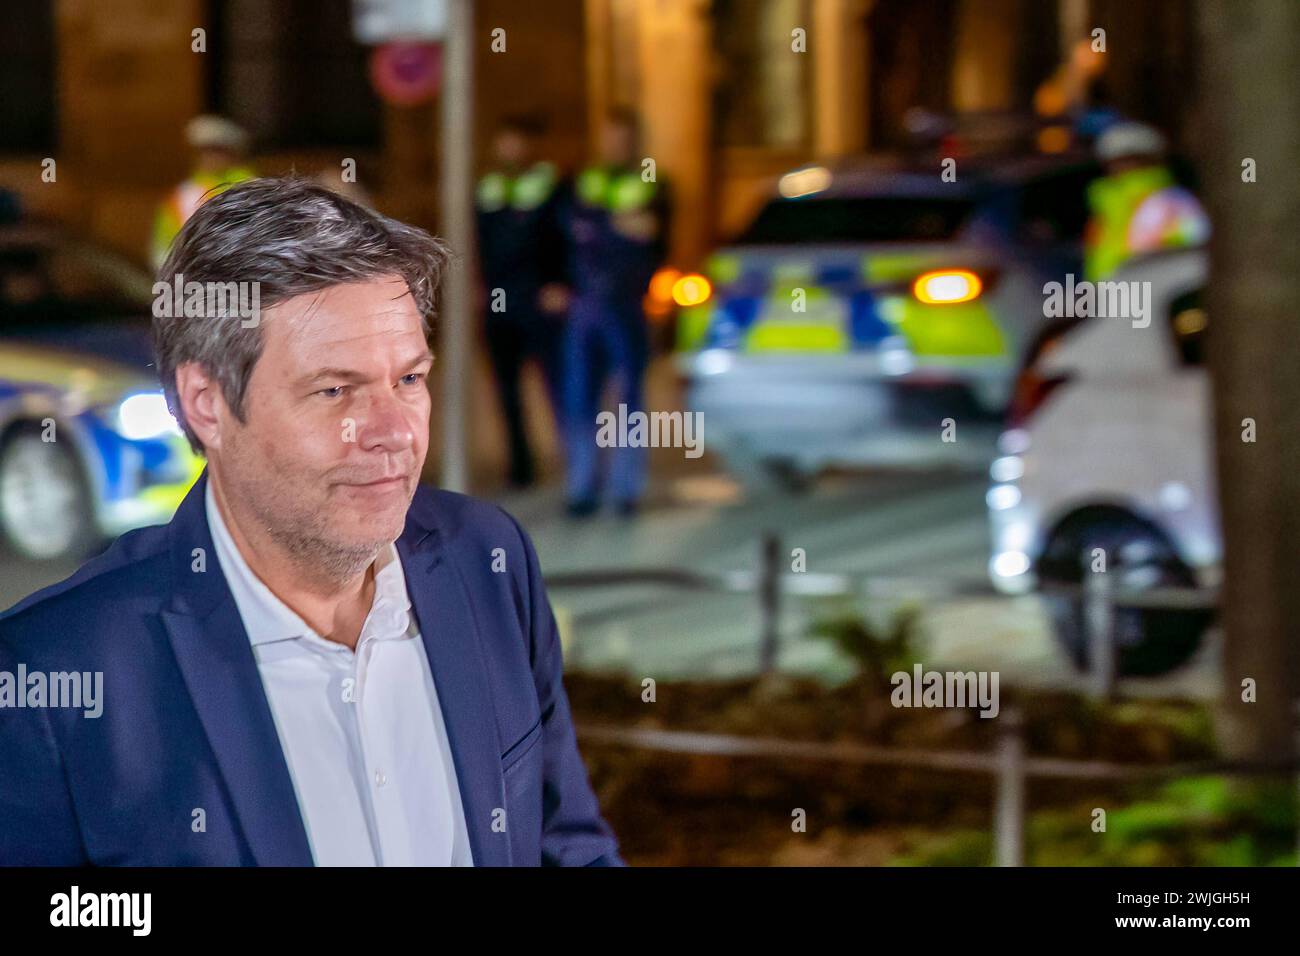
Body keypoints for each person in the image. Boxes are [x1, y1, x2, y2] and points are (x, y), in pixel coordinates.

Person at [0, 177, 623, 867]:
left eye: (409, 380)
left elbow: (566, 847)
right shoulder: (53, 676)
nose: (394, 432)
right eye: (335, 390)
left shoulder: (489, 561)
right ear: (207, 403)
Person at [561, 109, 669, 517]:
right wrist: (619, 225)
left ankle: (626, 489)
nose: (616, 145)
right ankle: (582, 487)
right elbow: (572, 230)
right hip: (585, 300)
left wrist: (601, 226)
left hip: (626, 302)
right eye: (610, 137)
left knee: (629, 396)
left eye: (623, 137)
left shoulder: (650, 180)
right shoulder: (583, 180)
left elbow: (653, 235)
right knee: (579, 397)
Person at [475, 114, 569, 488]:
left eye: (518, 142)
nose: (511, 150)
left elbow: (565, 240)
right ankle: (521, 466)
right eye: (505, 142)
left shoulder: (552, 186)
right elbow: (476, 240)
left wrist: (560, 284)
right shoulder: (489, 188)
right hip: (499, 301)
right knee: (507, 389)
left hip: (539, 299)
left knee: (555, 384)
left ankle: (571, 461)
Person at [1083, 121, 1210, 281]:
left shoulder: (1173, 201)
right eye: (1118, 161)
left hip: (1162, 291)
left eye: (1133, 160)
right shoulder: (1104, 206)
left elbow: (1199, 241)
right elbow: (1097, 258)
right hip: (1112, 295)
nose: (1125, 168)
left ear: (1153, 160)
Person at [150, 115, 257, 270]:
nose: (209, 158)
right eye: (203, 152)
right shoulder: (181, 194)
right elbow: (162, 247)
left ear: (233, 153)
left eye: (216, 151)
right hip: (189, 281)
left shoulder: (250, 187)